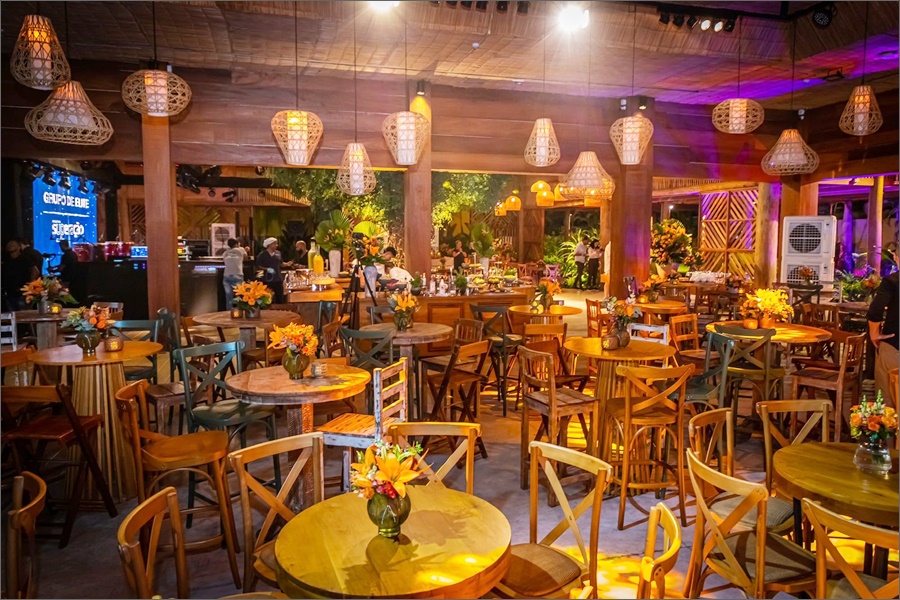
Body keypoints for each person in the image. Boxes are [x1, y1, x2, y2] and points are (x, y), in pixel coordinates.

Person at [867, 243, 899, 405]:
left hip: (894, 346)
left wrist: (874, 333)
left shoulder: (892, 281)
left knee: (887, 405)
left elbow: (876, 309)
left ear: (895, 257)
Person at [2, 239, 39, 311]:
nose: (10, 246)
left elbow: (35, 271)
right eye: (9, 244)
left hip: (22, 293)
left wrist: (30, 286)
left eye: (13, 244)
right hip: (10, 293)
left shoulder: (24, 259)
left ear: (19, 247)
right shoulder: (7, 261)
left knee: (24, 313)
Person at [256, 237, 289, 304]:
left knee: (280, 297)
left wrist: (286, 264)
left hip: (278, 279)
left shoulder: (278, 253)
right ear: (269, 245)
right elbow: (258, 265)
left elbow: (281, 264)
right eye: (275, 244)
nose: (276, 245)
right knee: (268, 297)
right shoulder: (262, 255)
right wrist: (267, 269)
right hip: (268, 279)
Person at [222, 238, 247, 308]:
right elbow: (245, 258)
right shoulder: (241, 250)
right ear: (236, 244)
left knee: (228, 296)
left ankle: (228, 311)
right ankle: (239, 311)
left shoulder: (225, 253)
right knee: (239, 295)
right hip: (237, 275)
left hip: (226, 275)